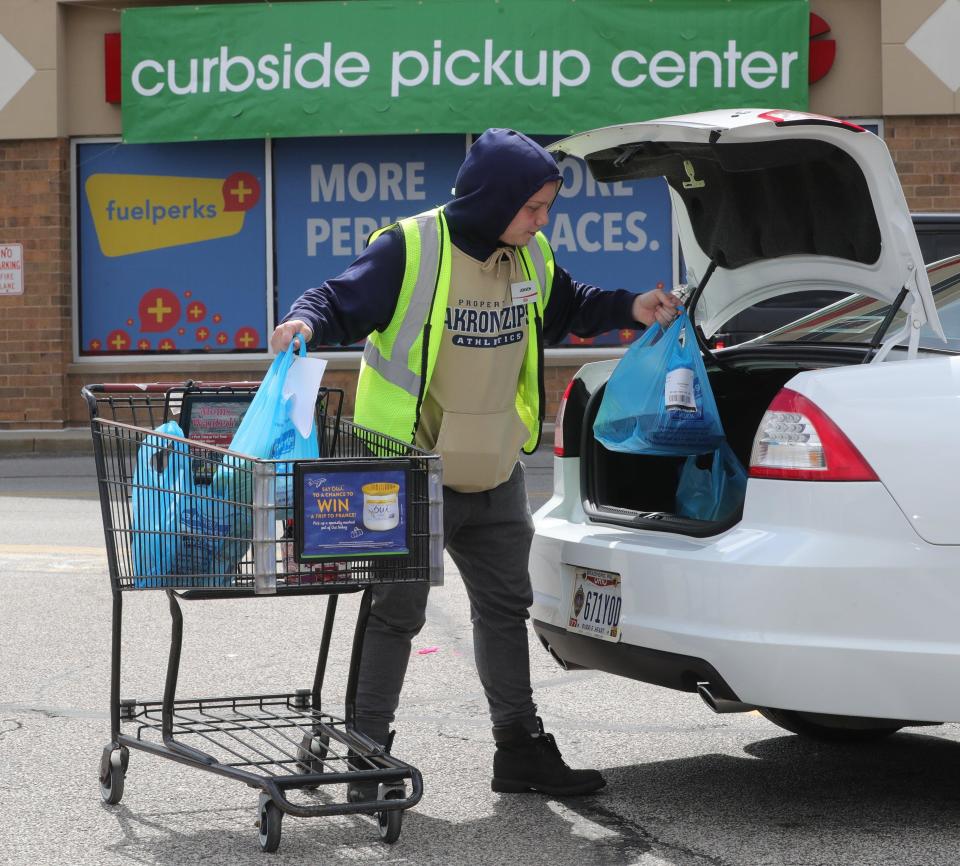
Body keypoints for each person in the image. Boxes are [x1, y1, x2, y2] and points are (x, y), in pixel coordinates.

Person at [272, 128, 679, 797]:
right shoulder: (414, 248)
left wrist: (631, 307)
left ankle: (519, 750)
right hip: (405, 470)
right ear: (495, 200)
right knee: (394, 615)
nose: (543, 220)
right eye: (534, 207)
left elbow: (567, 307)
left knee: (504, 608)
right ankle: (367, 756)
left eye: (547, 207)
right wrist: (303, 322)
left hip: (491, 468)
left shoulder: (531, 256)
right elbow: (338, 299)